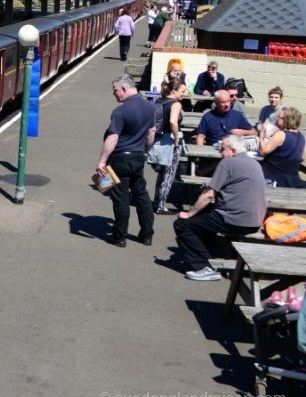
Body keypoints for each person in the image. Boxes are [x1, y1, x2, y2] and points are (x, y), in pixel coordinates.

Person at [174, 135, 267, 281]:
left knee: (182, 224)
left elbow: (209, 195)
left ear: (233, 151)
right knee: (205, 215)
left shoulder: (227, 163)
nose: (220, 152)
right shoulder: (255, 163)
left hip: (234, 220)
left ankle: (203, 266)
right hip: (255, 220)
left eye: (223, 149)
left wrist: (189, 213)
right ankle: (208, 252)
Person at [96, 74, 156, 247]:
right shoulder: (150, 107)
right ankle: (146, 235)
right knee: (141, 195)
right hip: (138, 157)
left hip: (120, 158)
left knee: (120, 198)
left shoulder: (120, 111)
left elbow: (113, 138)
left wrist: (102, 161)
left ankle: (119, 237)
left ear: (124, 88)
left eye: (115, 91)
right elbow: (151, 133)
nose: (114, 94)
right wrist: (145, 151)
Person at [149, 78, 187, 214]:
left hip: (159, 140)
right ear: (174, 90)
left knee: (162, 173)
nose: (184, 94)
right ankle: (160, 205)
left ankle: (157, 201)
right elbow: (173, 121)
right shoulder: (175, 104)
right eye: (182, 91)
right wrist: (177, 137)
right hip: (171, 142)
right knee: (169, 174)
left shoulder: (160, 101)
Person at [259, 106, 306, 188]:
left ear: (287, 120)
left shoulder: (281, 134)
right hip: (292, 178)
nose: (276, 119)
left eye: (279, 117)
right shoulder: (301, 136)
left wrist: (261, 134)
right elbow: (302, 157)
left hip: (272, 175)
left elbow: (263, 151)